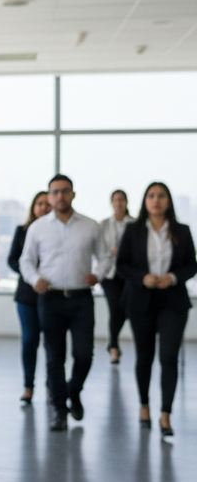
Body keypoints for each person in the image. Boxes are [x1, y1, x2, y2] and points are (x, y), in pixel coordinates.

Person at [20, 175, 108, 432]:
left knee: (84, 354)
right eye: (55, 192)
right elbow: (26, 261)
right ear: (49, 196)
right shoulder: (38, 228)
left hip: (81, 298)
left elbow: (105, 257)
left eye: (65, 191)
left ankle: (74, 391)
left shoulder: (90, 226)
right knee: (54, 358)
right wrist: (34, 279)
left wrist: (98, 275)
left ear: (73, 194)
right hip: (51, 299)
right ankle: (59, 410)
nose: (60, 196)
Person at [116, 182, 197, 438]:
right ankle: (144, 407)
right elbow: (121, 265)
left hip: (173, 302)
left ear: (168, 201)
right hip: (141, 302)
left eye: (161, 196)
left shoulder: (182, 230)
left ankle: (165, 415)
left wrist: (173, 277)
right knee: (144, 356)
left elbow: (192, 265)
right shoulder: (133, 230)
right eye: (151, 196)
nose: (156, 200)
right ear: (145, 201)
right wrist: (142, 278)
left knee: (169, 357)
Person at [8, 190, 53, 405]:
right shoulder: (22, 230)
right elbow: (12, 259)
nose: (43, 207)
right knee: (29, 341)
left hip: (52, 294)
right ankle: (28, 386)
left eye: (47, 204)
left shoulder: (57, 232)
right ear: (33, 207)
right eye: (39, 203)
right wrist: (30, 273)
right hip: (27, 294)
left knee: (52, 342)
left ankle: (51, 385)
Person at [98, 189, 134, 364]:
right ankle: (114, 346)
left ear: (126, 202)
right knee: (114, 309)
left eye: (122, 200)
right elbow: (98, 249)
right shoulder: (104, 224)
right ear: (111, 203)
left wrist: (124, 251)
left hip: (128, 273)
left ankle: (112, 343)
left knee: (126, 309)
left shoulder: (135, 224)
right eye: (116, 200)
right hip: (109, 273)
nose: (119, 203)